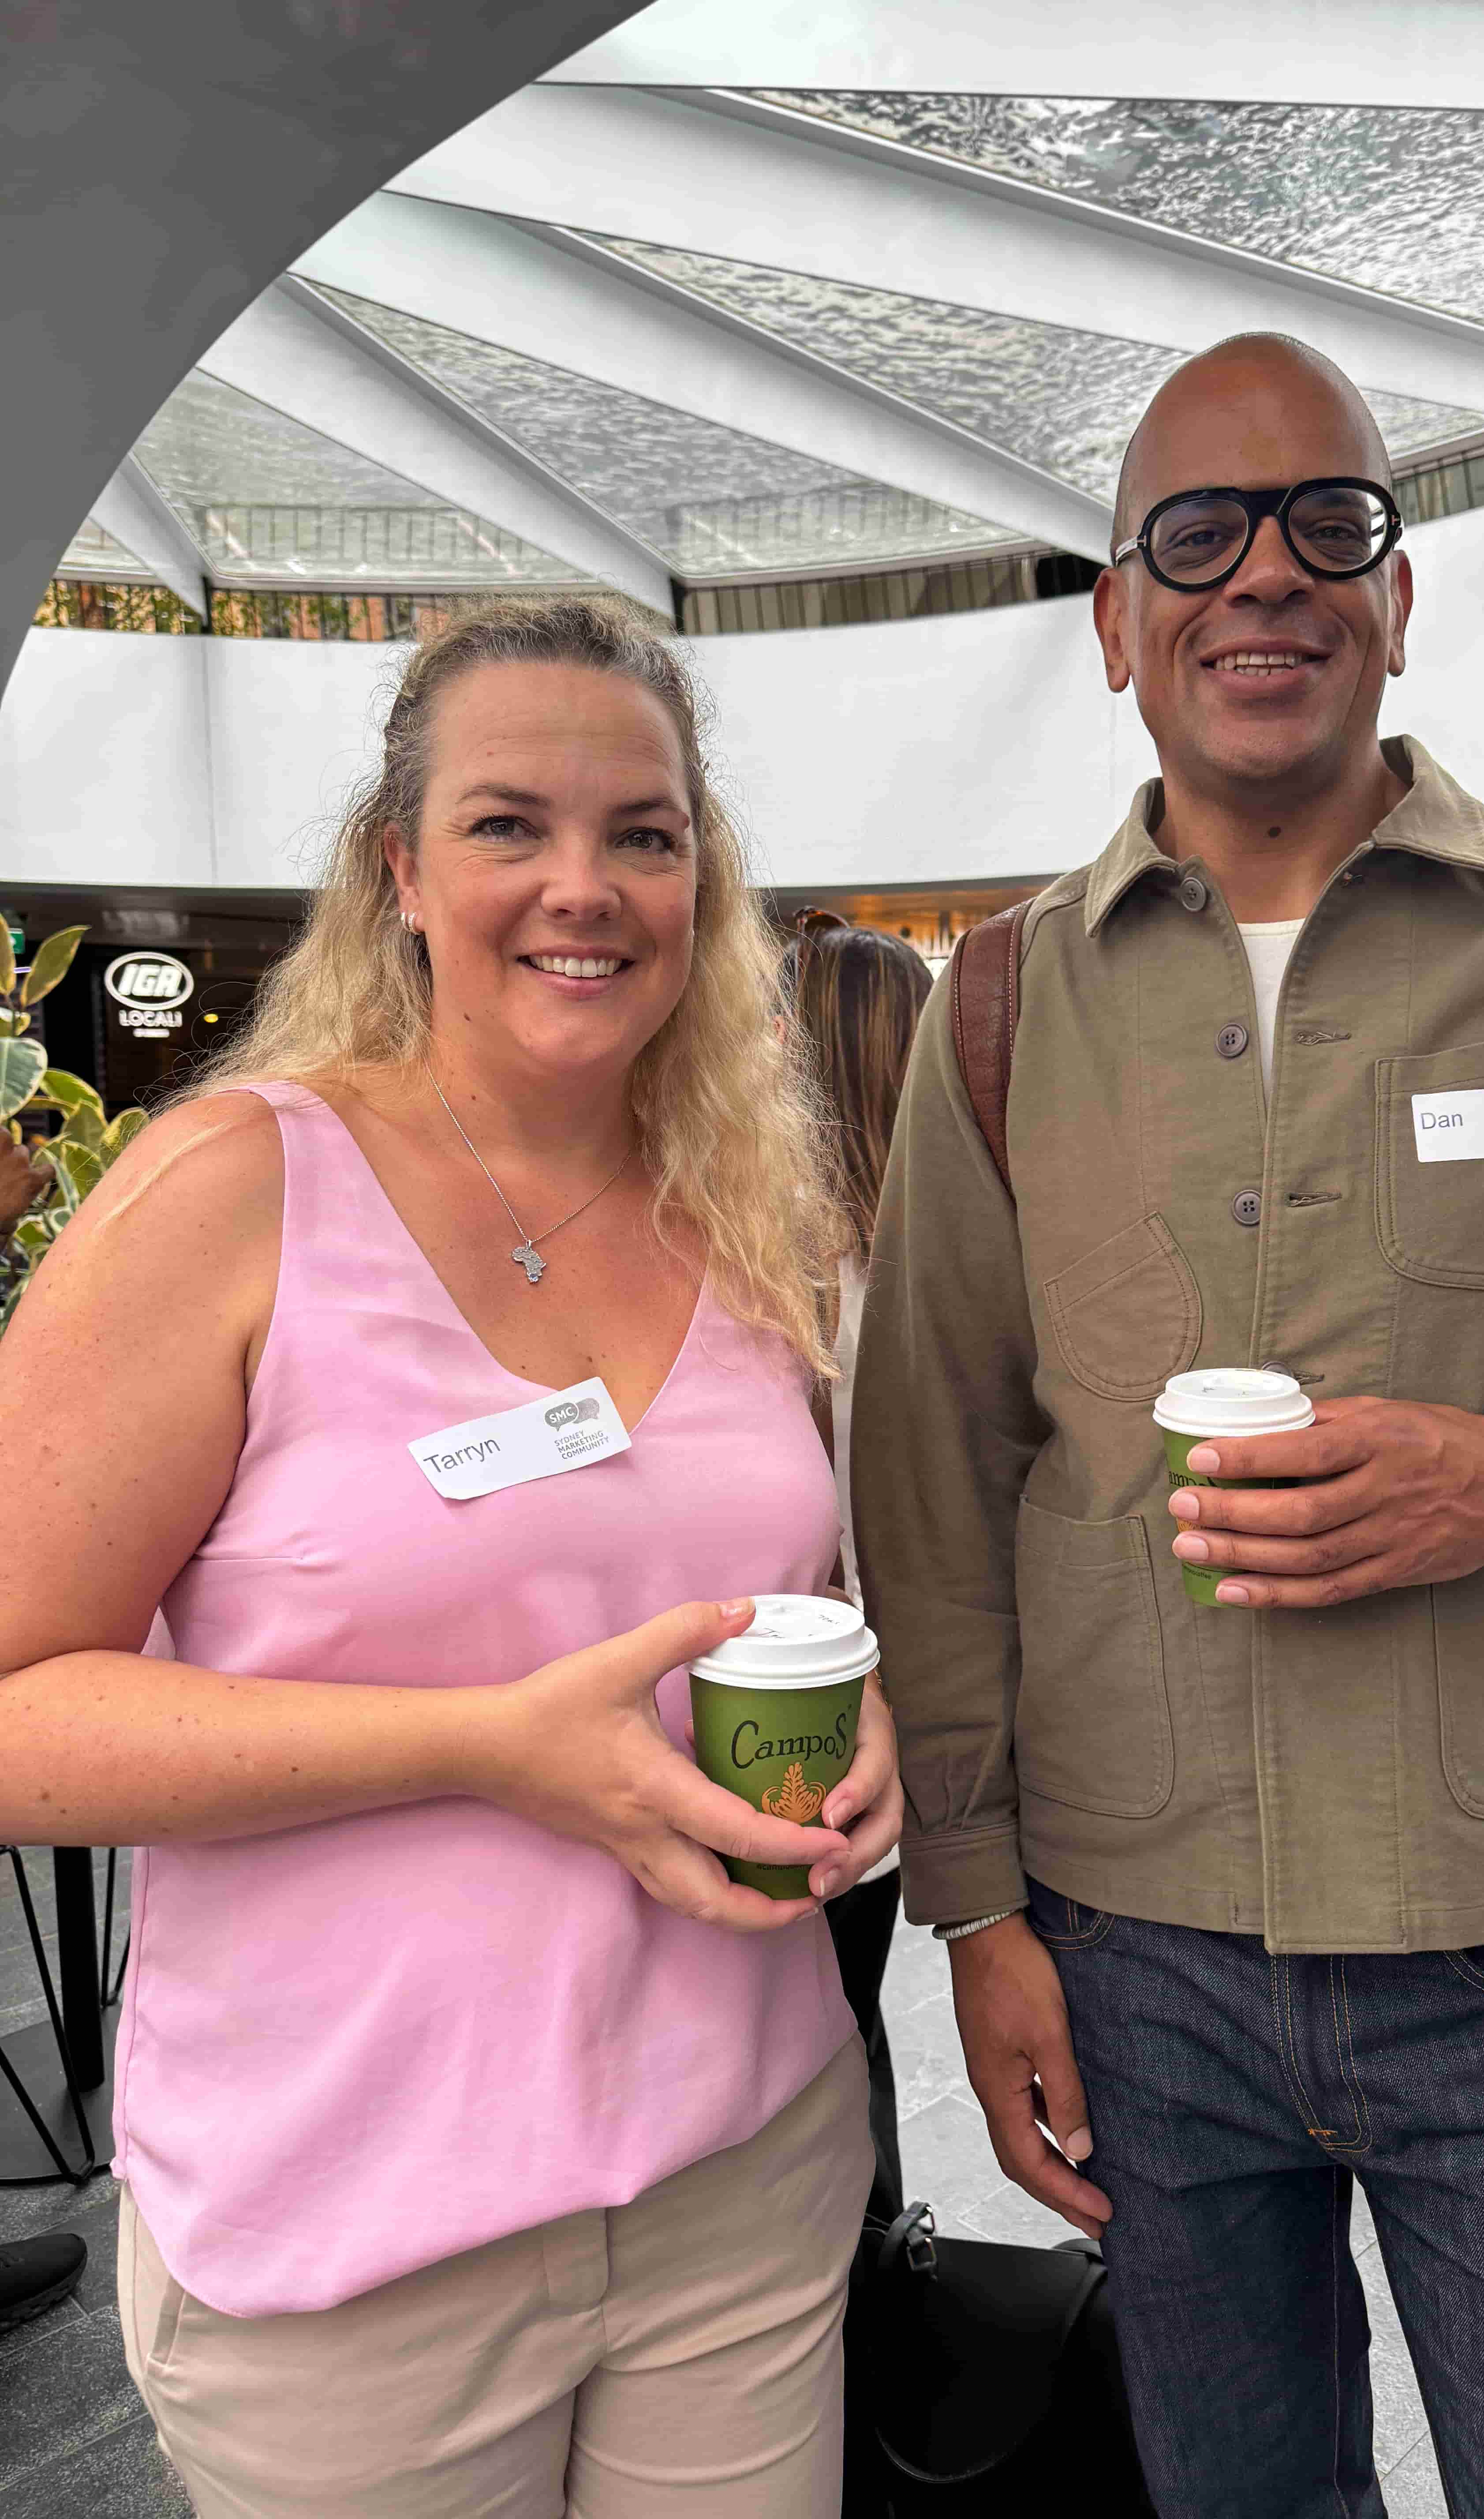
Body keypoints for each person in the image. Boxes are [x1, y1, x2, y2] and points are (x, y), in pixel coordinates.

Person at [852, 335, 1484, 2519]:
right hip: (1136, 1960)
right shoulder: (1006, 1006)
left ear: (1398, 596)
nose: (1266, 576)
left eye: (1333, 519)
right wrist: (980, 1907)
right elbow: (927, 1478)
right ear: (1116, 623)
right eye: (1192, 535)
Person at [0, 596, 903, 2518]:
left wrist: (863, 1710)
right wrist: (484, 1740)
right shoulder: (236, 1186)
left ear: (699, 882)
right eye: (511, 824)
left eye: (643, 835)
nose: (582, 885)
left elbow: (753, 1599)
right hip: (356, 2239)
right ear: (395, 869)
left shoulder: (749, 1218)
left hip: (736, 2179)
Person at [783, 919, 935, 2223]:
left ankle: (857, 2301)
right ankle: (886, 2273)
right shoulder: (948, 1257)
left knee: (810, 2037)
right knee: (853, 2021)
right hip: (922, 1677)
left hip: (805, 1696)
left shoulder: (769, 1267)